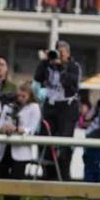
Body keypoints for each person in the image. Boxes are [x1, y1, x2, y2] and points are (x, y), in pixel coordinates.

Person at [34, 40, 81, 180]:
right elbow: (38, 78)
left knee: (64, 142)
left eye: (63, 51)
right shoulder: (49, 65)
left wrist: (62, 67)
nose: (59, 54)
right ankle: (48, 172)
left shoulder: (74, 66)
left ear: (68, 53)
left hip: (67, 106)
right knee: (44, 138)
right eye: (57, 51)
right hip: (50, 105)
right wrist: (45, 62)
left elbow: (72, 85)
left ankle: (64, 175)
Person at [0, 82, 41, 200]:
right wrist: (4, 129)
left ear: (30, 96)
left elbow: (32, 130)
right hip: (4, 147)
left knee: (15, 181)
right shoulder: (8, 106)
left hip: (20, 151)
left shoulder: (34, 107)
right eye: (18, 96)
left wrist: (17, 129)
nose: (20, 99)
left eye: (24, 96)